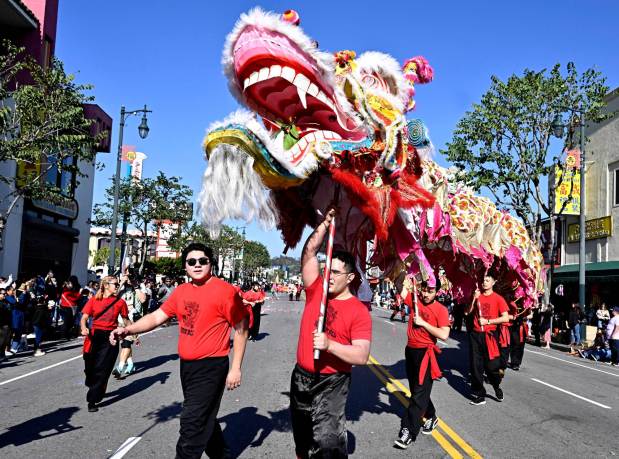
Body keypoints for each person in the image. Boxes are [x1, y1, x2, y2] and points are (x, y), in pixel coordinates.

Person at [110, 243, 249, 458]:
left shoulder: (225, 291)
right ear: (185, 266)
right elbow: (157, 317)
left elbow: (241, 329)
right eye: (191, 261)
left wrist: (236, 368)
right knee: (204, 417)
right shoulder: (181, 291)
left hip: (211, 366)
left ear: (210, 263)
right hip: (187, 367)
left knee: (191, 423)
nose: (197, 265)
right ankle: (221, 453)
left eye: (202, 260)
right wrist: (128, 329)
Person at [290, 209, 372, 458]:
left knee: (328, 443)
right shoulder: (316, 289)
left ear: (350, 277)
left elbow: (361, 356)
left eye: (335, 273)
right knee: (302, 439)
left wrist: (330, 345)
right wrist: (324, 224)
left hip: (332, 382)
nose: (329, 276)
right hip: (302, 376)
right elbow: (309, 253)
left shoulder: (359, 311)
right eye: (327, 270)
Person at [394, 280, 450, 449]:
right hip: (410, 351)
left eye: (430, 291)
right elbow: (399, 286)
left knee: (418, 394)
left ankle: (408, 432)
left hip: (426, 354)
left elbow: (444, 335)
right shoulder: (414, 299)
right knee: (417, 390)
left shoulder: (441, 310)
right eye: (424, 290)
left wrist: (424, 323)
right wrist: (401, 269)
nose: (425, 294)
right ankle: (431, 416)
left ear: (437, 292)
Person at [79, 276, 131, 412]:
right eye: (115, 284)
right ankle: (92, 381)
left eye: (117, 284)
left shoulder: (120, 302)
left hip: (110, 337)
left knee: (102, 370)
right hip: (93, 336)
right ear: (106, 285)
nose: (117, 286)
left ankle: (92, 400)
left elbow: (126, 320)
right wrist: (84, 328)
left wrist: (133, 333)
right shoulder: (94, 300)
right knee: (89, 367)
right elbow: (84, 317)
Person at [464, 274, 509, 405]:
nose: (484, 282)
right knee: (475, 366)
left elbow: (505, 318)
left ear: (493, 282)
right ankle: (479, 395)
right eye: (483, 279)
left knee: (492, 367)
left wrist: (488, 321)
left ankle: (496, 386)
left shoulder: (498, 299)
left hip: (490, 335)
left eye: (487, 280)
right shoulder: (476, 295)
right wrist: (473, 299)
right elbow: (467, 312)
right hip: (475, 335)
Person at [508, 302, 530, 371]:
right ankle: (514, 362)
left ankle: (517, 362)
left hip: (522, 326)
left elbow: (531, 315)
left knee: (521, 345)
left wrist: (525, 316)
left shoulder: (527, 304)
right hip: (514, 325)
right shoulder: (512, 302)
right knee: (514, 344)